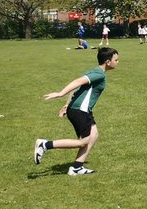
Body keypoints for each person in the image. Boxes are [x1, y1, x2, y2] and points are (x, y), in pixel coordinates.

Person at [33, 47, 120, 176]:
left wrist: (67, 104)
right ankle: (45, 145)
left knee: (94, 134)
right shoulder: (99, 74)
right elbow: (78, 81)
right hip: (80, 111)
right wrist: (61, 94)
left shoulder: (96, 71)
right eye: (116, 60)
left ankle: (77, 167)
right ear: (108, 61)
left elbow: (79, 88)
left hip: (80, 109)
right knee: (83, 141)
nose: (118, 62)